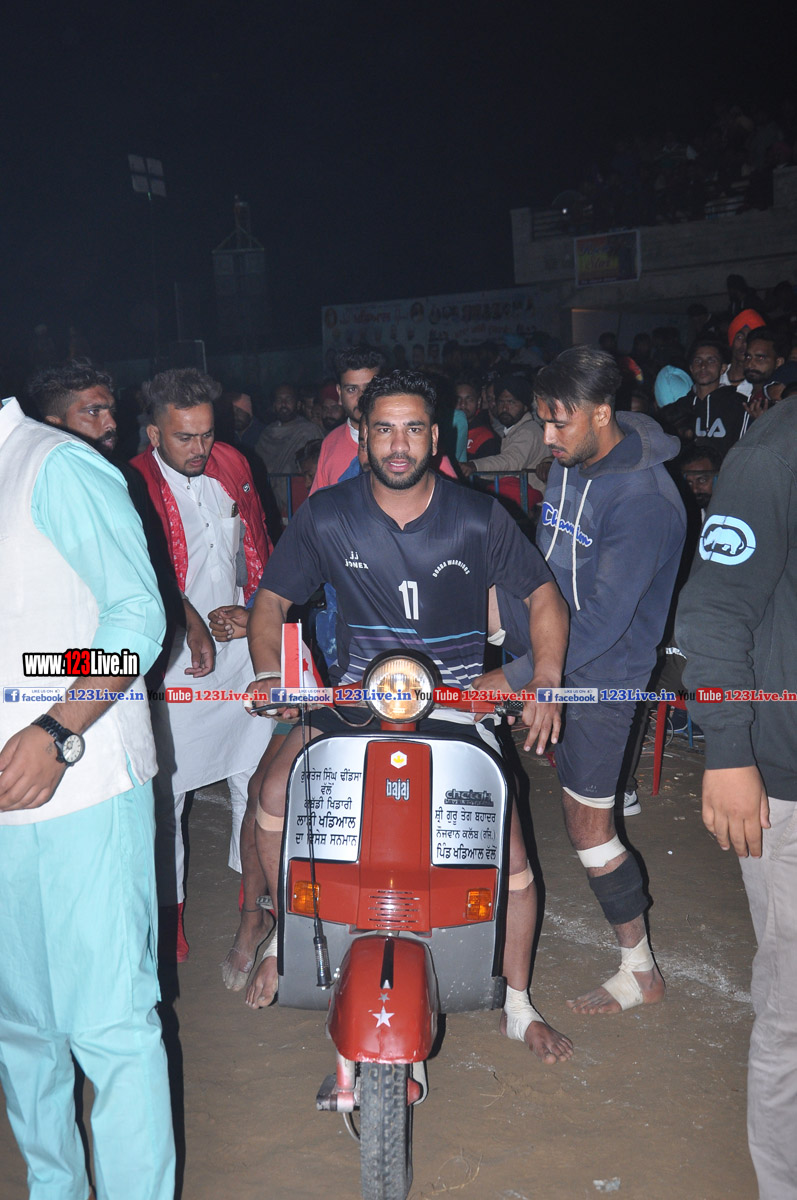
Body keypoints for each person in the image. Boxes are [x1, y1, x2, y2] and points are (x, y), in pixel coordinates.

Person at [244, 369, 575, 1064]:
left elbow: (543, 594)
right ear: (360, 436)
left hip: (454, 704)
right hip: (356, 700)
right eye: (384, 429)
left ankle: (517, 1003)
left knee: (512, 858)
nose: (399, 445)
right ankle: (283, 932)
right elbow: (271, 601)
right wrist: (272, 673)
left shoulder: (479, 517)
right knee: (271, 793)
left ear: (435, 437)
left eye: (414, 428)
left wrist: (543, 678)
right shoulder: (326, 514)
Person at [0, 395, 175, 1198]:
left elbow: (136, 616)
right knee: (22, 1031)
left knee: (110, 1026)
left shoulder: (54, 465)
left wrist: (57, 728)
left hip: (82, 788)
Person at [531, 346, 686, 1013]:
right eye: (542, 420)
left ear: (601, 412)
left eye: (558, 421)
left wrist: (519, 676)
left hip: (602, 679)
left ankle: (640, 971)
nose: (546, 436)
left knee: (590, 827)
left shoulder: (644, 501)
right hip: (555, 664)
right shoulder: (574, 461)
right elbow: (546, 564)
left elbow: (600, 624)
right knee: (574, 814)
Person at [675, 401, 797, 1200]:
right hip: (788, 777)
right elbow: (714, 611)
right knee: (793, 1011)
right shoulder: (775, 453)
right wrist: (727, 750)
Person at [132, 368, 273, 961]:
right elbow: (141, 572)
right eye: (185, 437)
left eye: (208, 434)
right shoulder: (132, 483)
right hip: (173, 662)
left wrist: (256, 615)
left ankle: (253, 902)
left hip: (242, 654)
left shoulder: (233, 465)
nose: (200, 448)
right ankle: (170, 915)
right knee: (167, 795)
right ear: (154, 434)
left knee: (254, 780)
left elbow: (259, 547)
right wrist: (188, 621)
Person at [310, 346, 385, 491]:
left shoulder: (403, 439)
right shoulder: (331, 443)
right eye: (352, 389)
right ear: (339, 393)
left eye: (369, 388)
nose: (361, 398)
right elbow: (319, 502)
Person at [255, 382, 318, 516]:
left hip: (299, 502)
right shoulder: (266, 434)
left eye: (288, 399)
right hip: (269, 504)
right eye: (279, 400)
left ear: (298, 404)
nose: (283, 404)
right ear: (273, 405)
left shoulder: (308, 431)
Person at [455, 376, 500, 459]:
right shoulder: (443, 430)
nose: (463, 404)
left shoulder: (486, 437)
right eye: (458, 399)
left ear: (478, 402)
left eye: (469, 399)